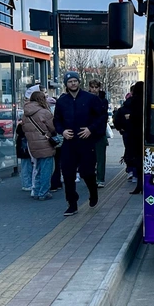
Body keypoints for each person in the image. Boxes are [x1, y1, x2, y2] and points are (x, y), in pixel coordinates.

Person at [54, 71, 107, 216]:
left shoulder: (90, 98)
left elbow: (102, 117)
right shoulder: (62, 101)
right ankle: (72, 203)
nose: (73, 84)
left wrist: (91, 129)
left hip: (86, 141)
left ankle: (93, 191)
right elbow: (57, 120)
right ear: (66, 84)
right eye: (70, 81)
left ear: (79, 82)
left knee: (87, 172)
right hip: (69, 142)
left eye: (75, 81)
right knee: (68, 173)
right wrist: (62, 131)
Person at [22, 91, 57, 200]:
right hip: (45, 143)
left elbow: (24, 129)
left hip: (33, 144)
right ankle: (43, 192)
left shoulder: (25, 114)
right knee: (46, 169)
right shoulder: (44, 112)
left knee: (37, 168)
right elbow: (53, 127)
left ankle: (36, 191)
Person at [88, 80, 109, 188]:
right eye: (92, 87)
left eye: (96, 87)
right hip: (88, 133)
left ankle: (100, 179)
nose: (94, 89)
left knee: (100, 158)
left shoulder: (103, 100)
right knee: (89, 158)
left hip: (99, 133)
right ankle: (91, 177)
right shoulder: (85, 99)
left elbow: (102, 117)